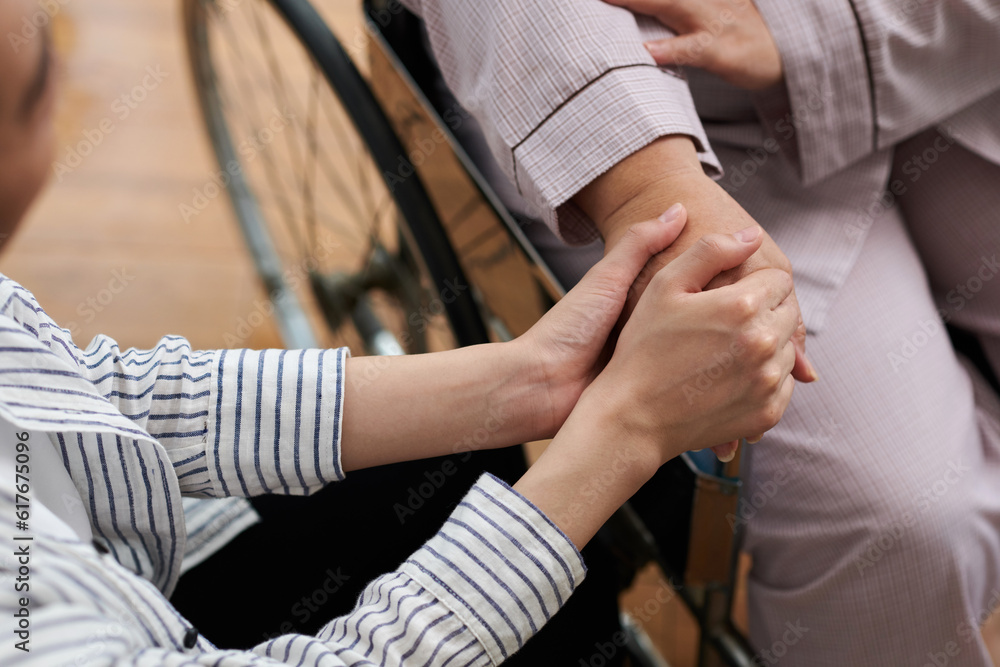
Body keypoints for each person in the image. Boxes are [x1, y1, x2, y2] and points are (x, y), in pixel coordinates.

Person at [0, 0, 801, 662]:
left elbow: (90, 394)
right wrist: (623, 432)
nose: (62, 42)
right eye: (42, 79)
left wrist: (530, 376)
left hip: (109, 562)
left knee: (471, 460)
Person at [400, 0, 1000, 663]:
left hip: (955, 57)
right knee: (902, 523)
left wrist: (827, 31)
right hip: (658, 108)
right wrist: (644, 187)